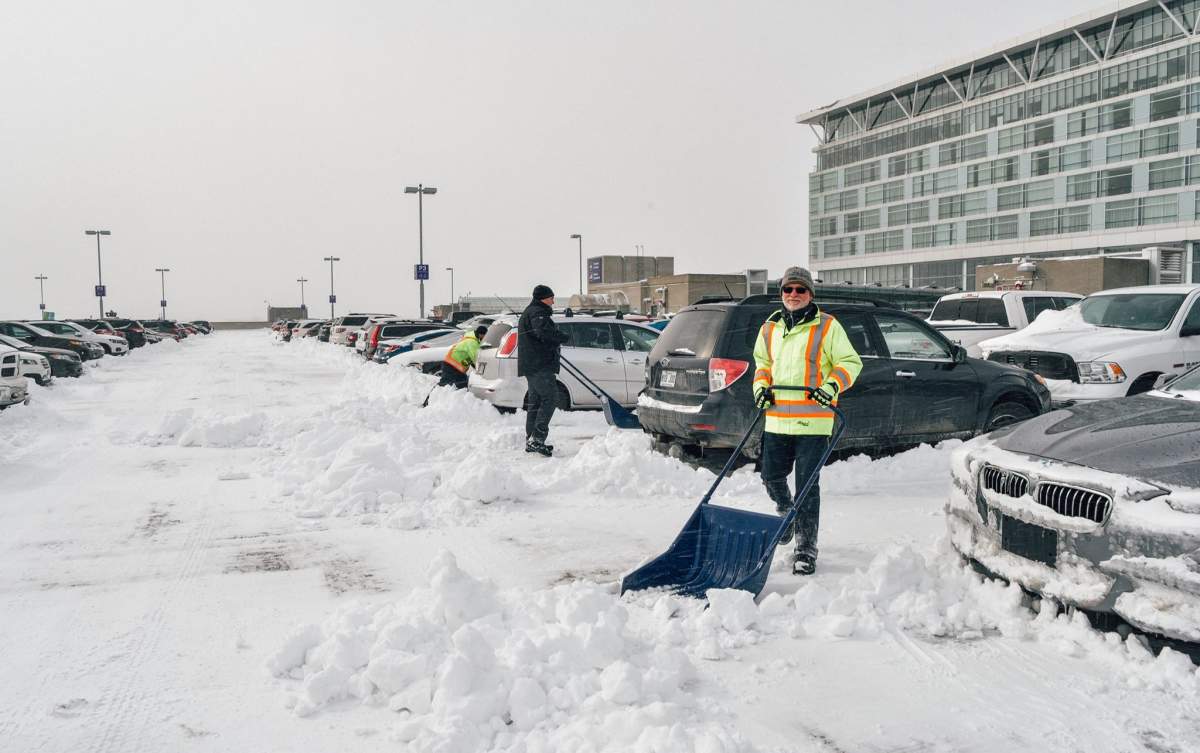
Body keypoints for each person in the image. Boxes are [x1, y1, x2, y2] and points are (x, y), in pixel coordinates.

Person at [752, 267, 862, 575]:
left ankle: (805, 549)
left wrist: (831, 387)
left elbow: (850, 362)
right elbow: (762, 364)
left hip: (813, 422)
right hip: (776, 420)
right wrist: (760, 388)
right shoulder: (769, 328)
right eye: (788, 290)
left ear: (810, 294)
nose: (794, 295)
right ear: (781, 294)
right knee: (770, 476)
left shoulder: (827, 327)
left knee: (807, 487)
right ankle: (786, 511)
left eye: (800, 290)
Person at [518, 284, 570, 457]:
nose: (553, 301)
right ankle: (537, 439)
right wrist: (562, 338)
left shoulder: (533, 311)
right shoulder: (537, 312)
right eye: (551, 298)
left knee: (536, 402)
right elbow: (543, 332)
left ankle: (532, 439)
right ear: (543, 298)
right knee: (550, 397)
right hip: (539, 365)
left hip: (533, 365)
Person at [421, 326, 487, 407]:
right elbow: (476, 359)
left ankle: (458, 405)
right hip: (451, 366)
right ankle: (428, 402)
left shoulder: (471, 339)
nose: (485, 338)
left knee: (463, 384)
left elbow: (471, 359)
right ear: (481, 334)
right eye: (485, 336)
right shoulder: (472, 342)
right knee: (444, 384)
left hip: (456, 367)